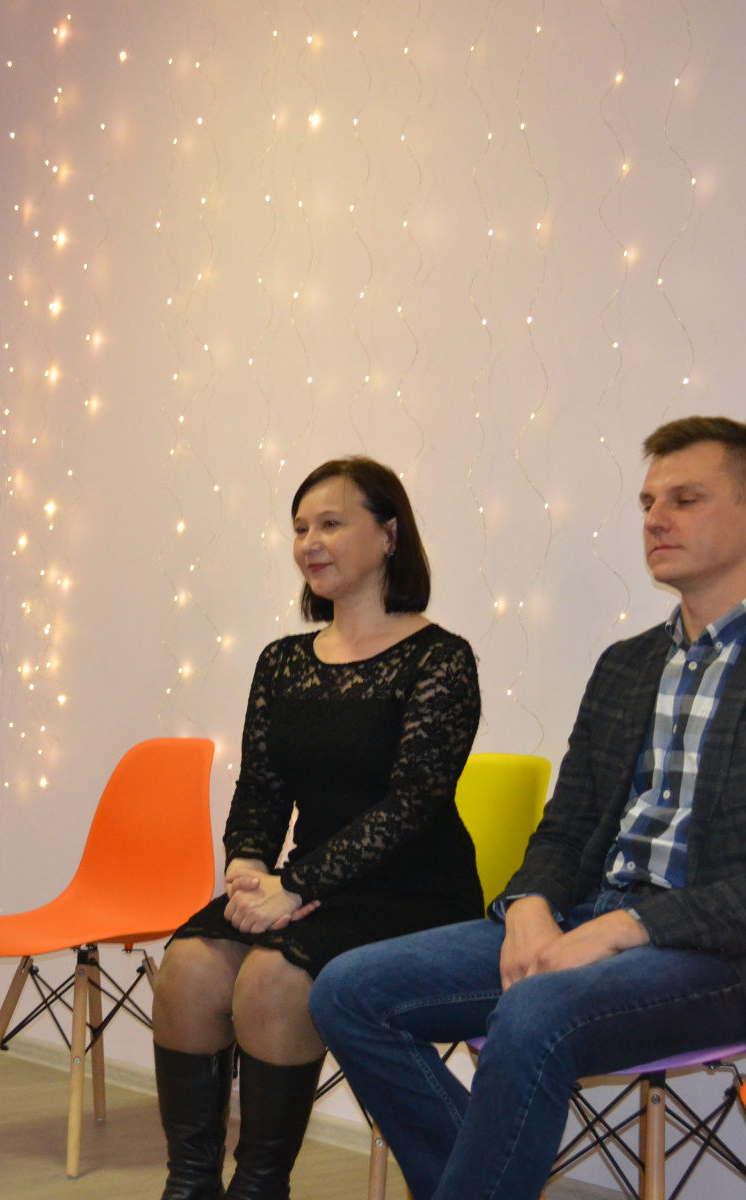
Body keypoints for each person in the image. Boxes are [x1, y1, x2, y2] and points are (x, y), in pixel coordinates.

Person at [309, 417, 746, 1200]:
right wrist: (529, 905)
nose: (656, 519)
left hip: (736, 955)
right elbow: (569, 822)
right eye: (649, 502)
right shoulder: (627, 664)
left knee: (535, 1014)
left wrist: (627, 928)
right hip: (592, 915)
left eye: (685, 499)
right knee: (347, 990)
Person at [150, 457, 483, 1200]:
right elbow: (262, 787)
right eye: (300, 528)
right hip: (307, 886)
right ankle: (190, 1185)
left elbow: (410, 806)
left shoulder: (441, 658)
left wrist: (294, 885)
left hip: (414, 894)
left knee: (271, 979)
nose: (310, 543)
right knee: (188, 967)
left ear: (389, 535)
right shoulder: (283, 662)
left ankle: (260, 1188)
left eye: (331, 523)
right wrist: (247, 865)